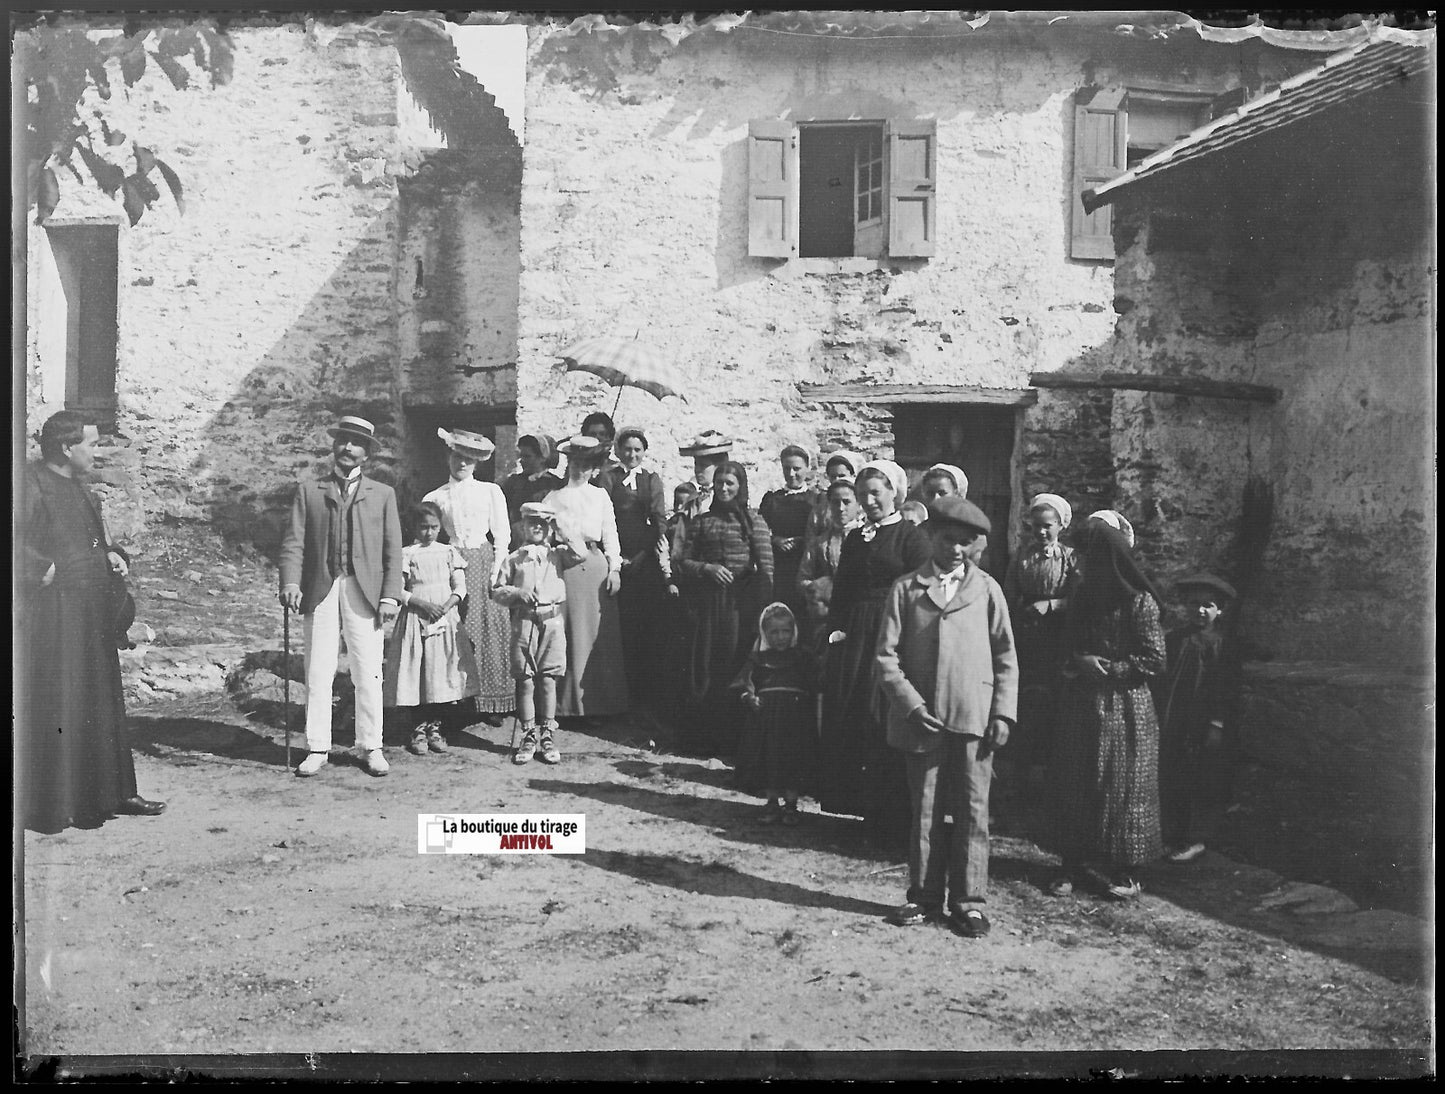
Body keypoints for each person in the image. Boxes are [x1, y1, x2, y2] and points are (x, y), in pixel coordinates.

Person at [877, 496, 1017, 938]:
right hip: (923, 720)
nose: (956, 549)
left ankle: (969, 901)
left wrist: (1003, 714)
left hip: (974, 718)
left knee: (974, 811)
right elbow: (885, 658)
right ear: (931, 536)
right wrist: (911, 705)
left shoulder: (987, 589)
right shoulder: (906, 589)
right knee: (926, 810)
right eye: (947, 539)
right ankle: (923, 896)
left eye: (965, 542)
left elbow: (1006, 657)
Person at [20, 410, 165, 828]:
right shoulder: (30, 485)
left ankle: (114, 793)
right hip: (54, 617)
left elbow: (95, 539)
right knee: (62, 703)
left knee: (101, 701)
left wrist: (113, 554)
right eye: (92, 444)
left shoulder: (81, 489)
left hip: (91, 614)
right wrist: (38, 567)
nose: (97, 452)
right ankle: (56, 806)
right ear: (68, 448)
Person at [280, 414, 403, 778]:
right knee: (318, 670)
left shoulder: (383, 494)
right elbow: (294, 543)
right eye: (343, 441)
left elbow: (392, 550)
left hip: (364, 590)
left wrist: (390, 596)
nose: (348, 448)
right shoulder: (310, 491)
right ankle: (317, 747)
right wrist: (290, 583)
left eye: (357, 443)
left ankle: (370, 745)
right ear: (334, 446)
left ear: (367, 453)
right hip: (321, 587)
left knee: (367, 670)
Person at [1049, 520, 1167, 901]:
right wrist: (1078, 661)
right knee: (1076, 782)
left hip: (1126, 707)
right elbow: (1066, 645)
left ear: (1104, 560)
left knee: (1123, 786)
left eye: (1083, 557)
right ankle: (1072, 863)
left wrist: (1110, 668)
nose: (1077, 564)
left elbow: (1154, 658)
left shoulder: (1140, 602)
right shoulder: (1082, 598)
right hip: (1083, 703)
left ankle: (1125, 870)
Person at [818, 459, 931, 838]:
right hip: (856, 637)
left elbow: (922, 591)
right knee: (855, 714)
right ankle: (861, 809)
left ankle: (894, 817)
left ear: (894, 493)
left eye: (875, 493)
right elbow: (842, 591)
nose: (868, 501)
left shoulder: (911, 537)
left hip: (894, 633)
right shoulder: (855, 538)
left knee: (885, 716)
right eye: (862, 494)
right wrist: (835, 632)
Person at [1155, 573, 1267, 864]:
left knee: (1203, 778)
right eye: (1194, 604)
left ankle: (1197, 838)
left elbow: (1226, 690)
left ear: (1220, 610)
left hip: (1205, 724)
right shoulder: (1174, 639)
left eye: (1208, 605)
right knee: (1173, 774)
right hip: (1175, 720)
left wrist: (1216, 724)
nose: (1200, 610)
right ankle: (1171, 833)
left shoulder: (1223, 645)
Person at [675, 461, 774, 756]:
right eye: (719, 483)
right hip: (708, 605)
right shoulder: (702, 521)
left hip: (740, 606)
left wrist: (762, 611)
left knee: (735, 664)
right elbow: (682, 561)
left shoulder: (753, 521)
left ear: (740, 486)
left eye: (730, 483)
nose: (724, 488)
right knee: (705, 665)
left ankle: (734, 741)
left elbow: (766, 568)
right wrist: (707, 568)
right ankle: (704, 740)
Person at [424, 428, 515, 724]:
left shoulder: (490, 491)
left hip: (483, 562)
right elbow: (431, 538)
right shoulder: (435, 496)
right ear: (448, 457)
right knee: (455, 630)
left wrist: (497, 569)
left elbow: (502, 535)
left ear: (477, 462)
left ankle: (490, 701)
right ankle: (456, 701)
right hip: (450, 564)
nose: (461, 463)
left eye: (468, 458)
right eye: (456, 456)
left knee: (487, 628)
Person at [491, 502, 589, 765]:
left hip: (552, 622)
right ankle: (528, 735)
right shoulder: (514, 558)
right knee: (525, 681)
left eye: (542, 523)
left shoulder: (558, 555)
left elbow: (582, 553)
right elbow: (497, 591)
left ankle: (547, 734)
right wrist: (517, 593)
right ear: (522, 526)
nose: (536, 527)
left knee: (548, 680)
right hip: (524, 622)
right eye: (531, 522)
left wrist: (558, 526)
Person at [1000, 492, 1079, 811]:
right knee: (1026, 703)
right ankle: (1020, 777)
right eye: (1036, 526)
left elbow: (1080, 599)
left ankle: (1051, 780)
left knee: (1053, 703)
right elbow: (1008, 595)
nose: (1042, 532)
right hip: (1027, 635)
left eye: (1048, 526)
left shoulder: (1070, 558)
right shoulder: (1022, 556)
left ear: (1061, 526)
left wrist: (1053, 604)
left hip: (1058, 636)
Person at [543, 436, 630, 719]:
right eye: (574, 463)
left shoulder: (599, 496)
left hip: (594, 568)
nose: (578, 469)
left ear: (594, 469)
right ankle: (563, 707)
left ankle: (596, 707)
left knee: (593, 635)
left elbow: (610, 535)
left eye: (585, 465)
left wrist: (614, 569)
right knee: (565, 632)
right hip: (563, 567)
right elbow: (543, 538)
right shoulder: (553, 498)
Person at [383, 501, 480, 755]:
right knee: (418, 671)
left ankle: (436, 727)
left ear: (440, 527)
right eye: (423, 527)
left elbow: (460, 587)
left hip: (444, 619)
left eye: (434, 527)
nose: (429, 532)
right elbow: (398, 589)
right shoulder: (408, 554)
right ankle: (418, 729)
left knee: (440, 671)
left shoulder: (448, 552)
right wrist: (423, 604)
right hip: (416, 616)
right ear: (414, 527)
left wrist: (445, 606)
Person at [596, 427, 674, 721]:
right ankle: (615, 698)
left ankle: (641, 698)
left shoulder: (651, 479)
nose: (632, 454)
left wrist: (643, 555)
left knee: (641, 627)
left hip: (643, 560)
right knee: (615, 629)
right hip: (613, 556)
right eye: (627, 449)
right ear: (618, 450)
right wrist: (616, 558)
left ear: (644, 452)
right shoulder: (608, 477)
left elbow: (659, 520)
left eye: (637, 450)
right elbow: (602, 517)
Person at [731, 602, 817, 826]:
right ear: (765, 633)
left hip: (795, 718)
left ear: (793, 631)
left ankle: (791, 804)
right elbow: (744, 682)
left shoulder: (802, 657)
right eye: (774, 632)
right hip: (767, 719)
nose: (780, 637)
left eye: (785, 631)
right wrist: (750, 697)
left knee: (793, 759)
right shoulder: (758, 658)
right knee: (770, 757)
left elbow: (814, 682)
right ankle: (772, 802)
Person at [796, 478, 862, 646]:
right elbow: (803, 578)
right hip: (828, 615)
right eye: (835, 502)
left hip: (860, 614)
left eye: (846, 502)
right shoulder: (819, 543)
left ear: (858, 504)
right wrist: (821, 587)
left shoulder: (869, 538)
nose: (841, 508)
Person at [758, 445, 819, 622]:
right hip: (780, 566)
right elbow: (760, 531)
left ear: (807, 468)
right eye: (787, 468)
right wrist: (775, 540)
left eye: (797, 469)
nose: (791, 474)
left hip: (806, 563)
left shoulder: (817, 500)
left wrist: (803, 540)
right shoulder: (772, 500)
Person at [501, 433, 563, 528]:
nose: (521, 461)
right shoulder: (513, 482)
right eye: (521, 456)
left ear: (542, 458)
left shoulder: (554, 484)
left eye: (527, 456)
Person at [676, 430, 734, 526]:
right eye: (696, 464)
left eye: (703, 465)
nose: (697, 470)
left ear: (718, 467)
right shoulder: (693, 499)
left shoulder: (727, 498)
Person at [806, 450, 863, 541]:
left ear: (853, 475)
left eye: (842, 476)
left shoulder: (863, 504)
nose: (837, 480)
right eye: (833, 476)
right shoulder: (820, 506)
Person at [581, 411, 622, 480]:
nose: (597, 438)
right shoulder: (576, 468)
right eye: (592, 434)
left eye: (602, 434)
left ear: (610, 438)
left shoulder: (617, 470)